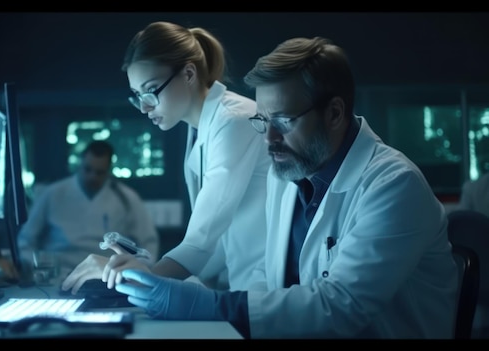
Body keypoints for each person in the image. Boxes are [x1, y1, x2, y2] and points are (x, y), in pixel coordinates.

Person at [113, 36, 459, 339]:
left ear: (335, 113)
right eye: (263, 121)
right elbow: (269, 275)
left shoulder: (394, 186)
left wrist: (210, 305)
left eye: (283, 121)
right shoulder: (289, 174)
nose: (270, 139)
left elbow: (341, 307)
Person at [61, 21, 270, 294]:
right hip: (237, 285)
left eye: (151, 90)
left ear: (188, 73)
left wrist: (143, 275)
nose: (145, 106)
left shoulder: (235, 120)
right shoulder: (199, 128)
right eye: (137, 96)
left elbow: (201, 239)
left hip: (266, 288)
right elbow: (211, 243)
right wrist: (141, 268)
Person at [0, 140, 160, 282]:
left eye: (99, 172)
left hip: (107, 277)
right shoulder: (53, 193)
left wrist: (136, 271)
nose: (92, 177)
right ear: (80, 164)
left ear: (109, 169)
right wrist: (34, 269)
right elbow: (26, 240)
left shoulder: (127, 199)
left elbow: (148, 243)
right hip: (57, 276)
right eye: (87, 169)